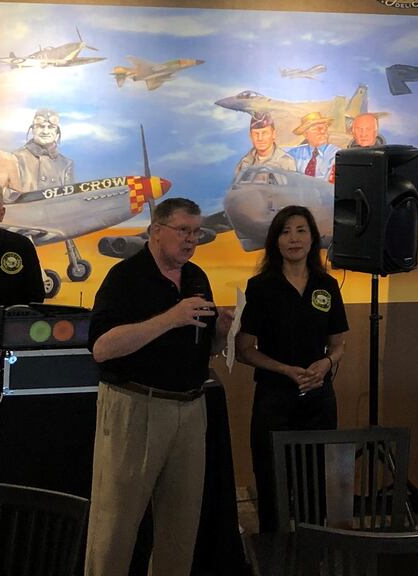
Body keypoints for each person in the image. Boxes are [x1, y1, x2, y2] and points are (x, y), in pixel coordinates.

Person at [85, 196, 232, 576]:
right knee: (115, 526)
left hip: (190, 408)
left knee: (180, 530)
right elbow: (102, 348)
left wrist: (221, 333)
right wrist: (169, 318)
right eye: (182, 230)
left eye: (196, 232)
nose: (190, 240)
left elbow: (204, 349)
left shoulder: (197, 277)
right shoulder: (125, 278)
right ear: (155, 232)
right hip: (136, 407)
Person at [237, 205, 349, 534]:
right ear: (275, 241)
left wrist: (325, 364)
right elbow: (245, 351)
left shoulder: (326, 285)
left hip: (319, 399)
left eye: (301, 230)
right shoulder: (260, 287)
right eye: (285, 231)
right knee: (273, 483)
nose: (293, 238)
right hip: (274, 399)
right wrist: (285, 369)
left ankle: (312, 556)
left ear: (313, 238)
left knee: (316, 486)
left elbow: (339, 346)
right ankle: (275, 556)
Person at [14, 108, 75, 191]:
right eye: (40, 127)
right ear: (33, 130)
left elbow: (69, 200)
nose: (45, 132)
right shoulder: (15, 158)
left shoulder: (66, 164)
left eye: (50, 127)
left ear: (57, 132)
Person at [235, 111, 296, 180]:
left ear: (273, 134)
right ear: (250, 136)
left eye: (264, 133)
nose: (260, 138)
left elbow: (291, 189)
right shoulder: (244, 163)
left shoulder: (285, 162)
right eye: (256, 134)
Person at [288, 112, 340, 182]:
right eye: (316, 129)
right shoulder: (295, 153)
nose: (322, 131)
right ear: (306, 135)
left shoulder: (336, 155)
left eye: (324, 128)